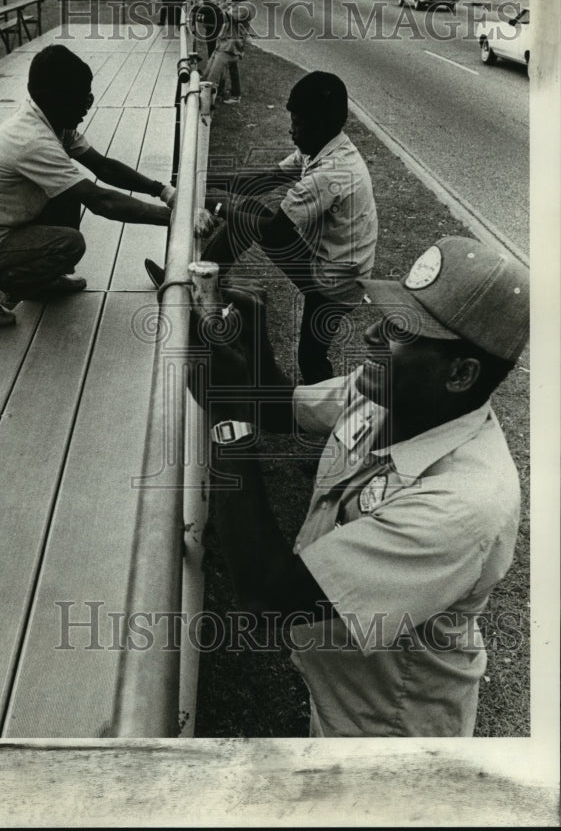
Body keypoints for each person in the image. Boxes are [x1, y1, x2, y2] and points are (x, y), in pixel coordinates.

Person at [193, 235, 529, 737]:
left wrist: (225, 418)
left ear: (460, 373)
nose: (370, 333)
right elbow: (275, 407)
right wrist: (252, 325)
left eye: (399, 329)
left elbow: (267, 597)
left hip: (392, 732)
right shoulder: (393, 390)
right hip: (345, 697)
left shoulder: (465, 504)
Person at [0, 44, 201, 327]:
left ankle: (44, 279)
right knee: (69, 244)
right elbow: (101, 201)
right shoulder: (32, 140)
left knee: (67, 192)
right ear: (58, 99)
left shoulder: (51, 119)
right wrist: (178, 220)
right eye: (82, 97)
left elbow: (103, 167)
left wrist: (164, 192)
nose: (88, 104)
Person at [147, 71, 377, 384]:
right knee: (311, 354)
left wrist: (215, 206)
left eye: (297, 123)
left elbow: (273, 233)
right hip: (332, 264)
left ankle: (196, 286)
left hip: (335, 280)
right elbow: (262, 182)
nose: (291, 131)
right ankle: (197, 285)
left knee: (310, 356)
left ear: (320, 125)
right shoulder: (322, 146)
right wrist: (200, 181)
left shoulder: (331, 172)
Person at [202, 0, 252, 105]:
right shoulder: (234, 3)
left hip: (231, 47)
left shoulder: (245, 7)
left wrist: (208, 9)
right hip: (223, 44)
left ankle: (207, 107)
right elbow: (219, 8)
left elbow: (223, 16)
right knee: (206, 74)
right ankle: (234, 94)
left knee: (211, 78)